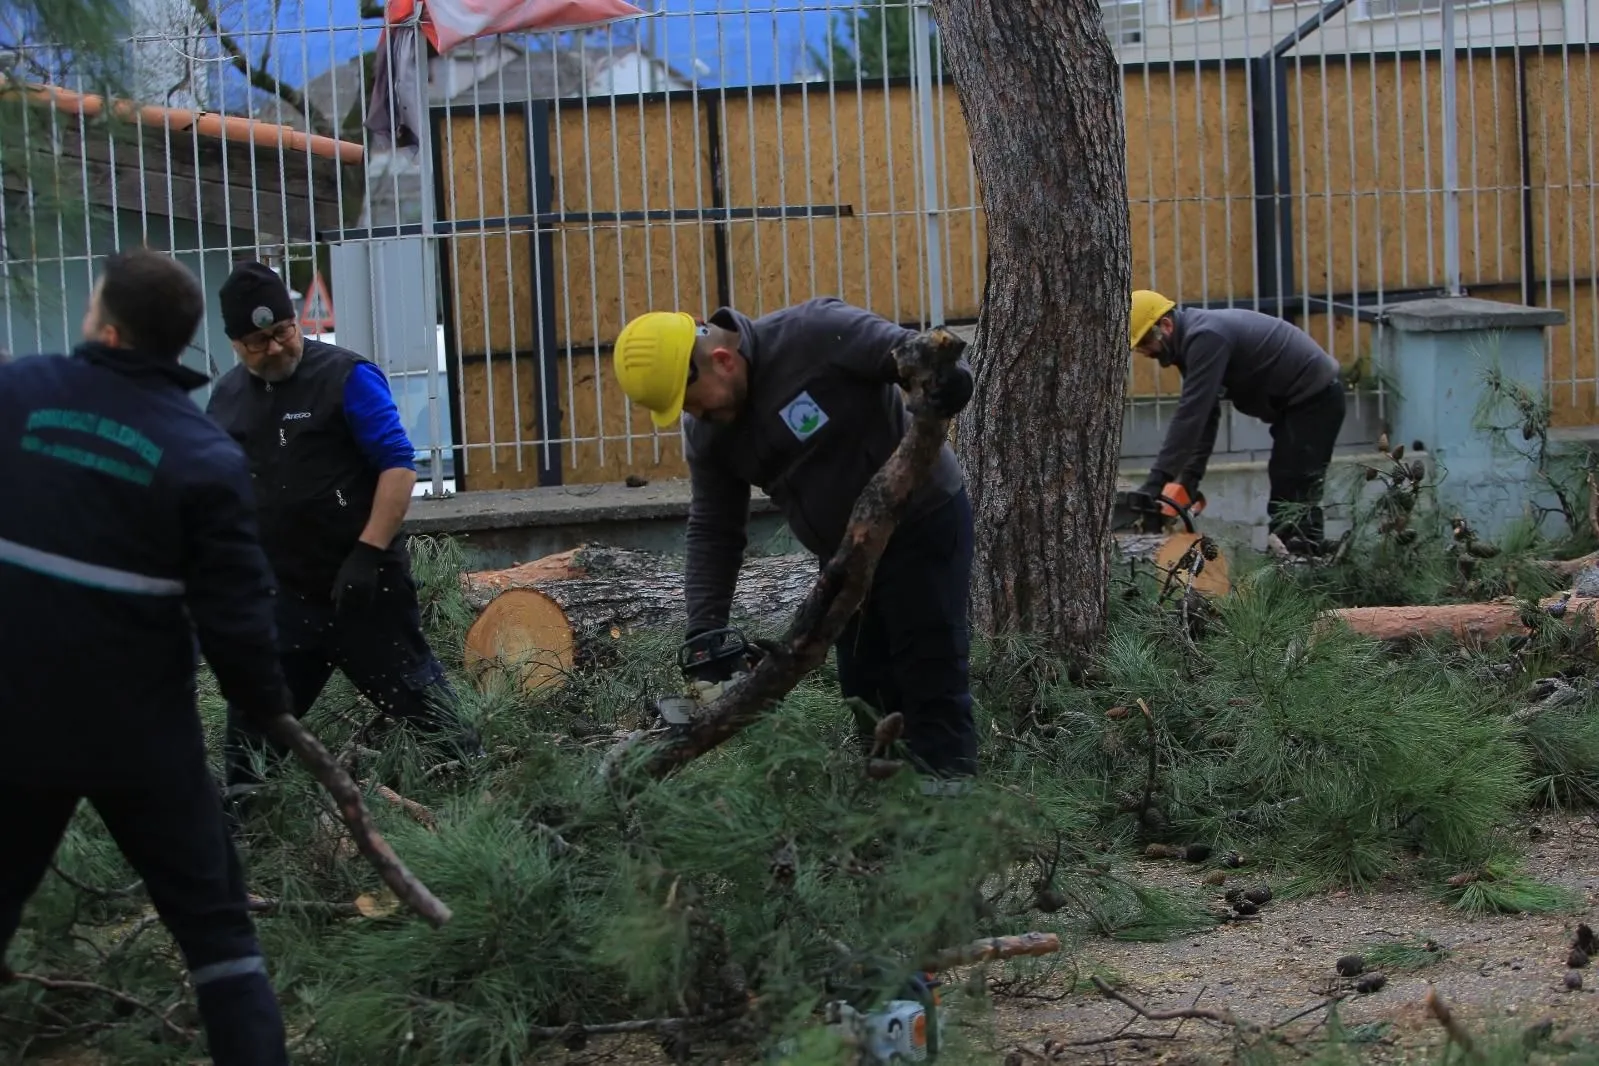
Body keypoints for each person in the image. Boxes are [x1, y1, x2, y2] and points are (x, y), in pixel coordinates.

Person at [0, 249, 292, 1064]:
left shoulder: (16, 395)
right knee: (219, 939)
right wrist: (268, 706)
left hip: (13, 721)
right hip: (140, 739)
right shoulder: (203, 452)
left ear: (105, 325)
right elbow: (238, 618)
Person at [611, 297, 978, 783]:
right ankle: (892, 803)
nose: (694, 414)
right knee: (864, 688)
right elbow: (715, 529)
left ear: (722, 360)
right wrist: (704, 631)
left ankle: (951, 806)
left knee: (929, 672)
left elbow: (917, 356)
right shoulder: (708, 431)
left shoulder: (816, 333)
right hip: (845, 559)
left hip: (922, 522)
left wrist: (949, 380)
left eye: (693, 400)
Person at [205, 260, 481, 807]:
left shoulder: (345, 377)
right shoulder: (227, 400)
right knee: (255, 725)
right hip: (284, 598)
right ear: (235, 344)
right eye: (258, 342)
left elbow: (398, 466)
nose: (276, 348)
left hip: (362, 588)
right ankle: (243, 826)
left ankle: (479, 791)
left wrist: (367, 552)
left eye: (283, 332)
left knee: (425, 708)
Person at [1129, 290, 1347, 553]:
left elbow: (1191, 416)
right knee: (1287, 486)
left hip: (1316, 399)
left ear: (1165, 325)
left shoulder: (1207, 337)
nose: (1145, 352)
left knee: (1294, 488)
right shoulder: (1192, 341)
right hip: (1298, 405)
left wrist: (1155, 483)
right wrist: (1188, 483)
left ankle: (1304, 562)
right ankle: (1301, 558)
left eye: (1145, 342)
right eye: (1138, 347)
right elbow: (1206, 417)